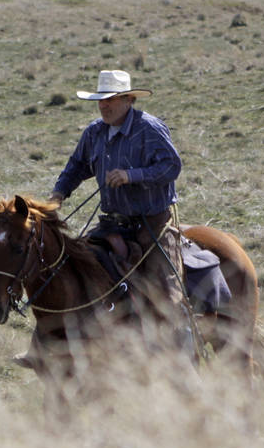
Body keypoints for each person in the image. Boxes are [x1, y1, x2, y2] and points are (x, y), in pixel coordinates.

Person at [48, 69, 191, 350]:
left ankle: (184, 354)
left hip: (153, 224)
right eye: (100, 100)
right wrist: (59, 193)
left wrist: (131, 175)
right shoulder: (94, 132)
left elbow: (172, 166)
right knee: (71, 271)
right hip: (112, 224)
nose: (104, 105)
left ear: (128, 99)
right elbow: (77, 165)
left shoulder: (149, 129)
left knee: (168, 292)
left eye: (110, 99)